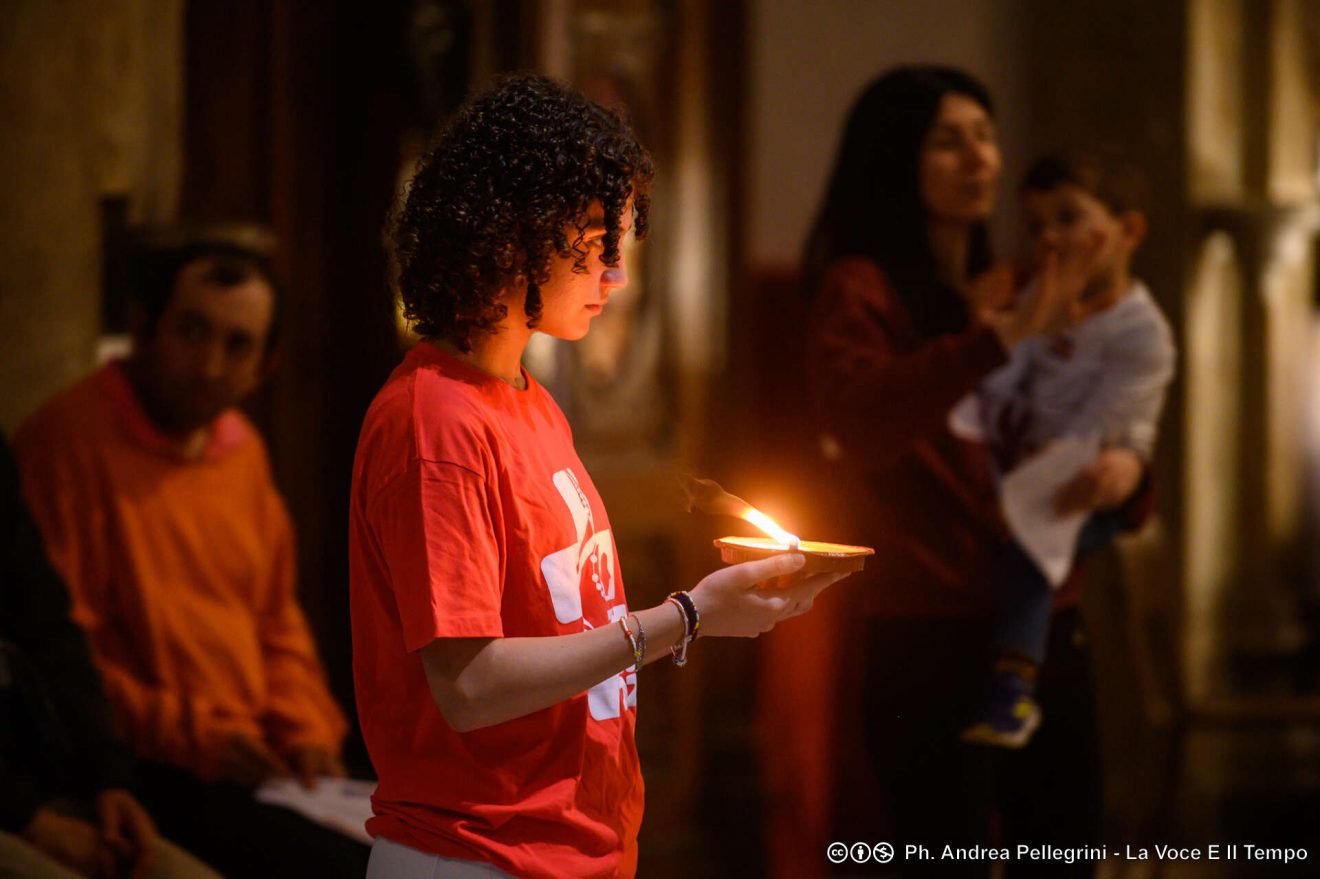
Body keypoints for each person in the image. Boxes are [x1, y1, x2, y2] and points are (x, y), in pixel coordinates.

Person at [350, 72, 846, 879]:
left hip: (568, 851)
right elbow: (469, 686)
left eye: (622, 241)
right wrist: (683, 617)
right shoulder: (433, 421)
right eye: (594, 238)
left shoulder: (530, 402)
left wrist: (714, 615)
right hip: (476, 853)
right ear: (509, 234)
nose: (616, 274)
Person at [780, 66, 1155, 878]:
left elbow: (1104, 396)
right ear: (897, 156)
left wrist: (1128, 470)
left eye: (985, 135)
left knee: (1061, 857)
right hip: (930, 632)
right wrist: (995, 340)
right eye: (949, 141)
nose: (979, 157)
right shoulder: (862, 287)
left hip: (1050, 620)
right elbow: (862, 422)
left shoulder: (1021, 280)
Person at [13, 238, 368, 878]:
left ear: (266, 365)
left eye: (237, 346)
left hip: (258, 759)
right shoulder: (65, 444)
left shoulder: (242, 450)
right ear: (143, 328)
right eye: (191, 331)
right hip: (146, 763)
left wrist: (309, 730)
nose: (208, 365)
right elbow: (63, 657)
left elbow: (274, 618)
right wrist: (197, 739)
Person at [953, 151, 1176, 748]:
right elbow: (999, 389)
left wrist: (1034, 486)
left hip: (1089, 481)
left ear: (1127, 232)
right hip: (1023, 463)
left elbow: (1102, 431)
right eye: (1037, 225)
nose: (1050, 238)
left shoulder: (1141, 333)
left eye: (1068, 218)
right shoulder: (1044, 302)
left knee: (1035, 530)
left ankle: (1014, 684)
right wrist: (993, 324)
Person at [1, 432, 220, 879]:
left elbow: (50, 628)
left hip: (49, 779)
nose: (211, 368)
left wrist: (109, 779)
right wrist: (27, 819)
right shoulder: (72, 438)